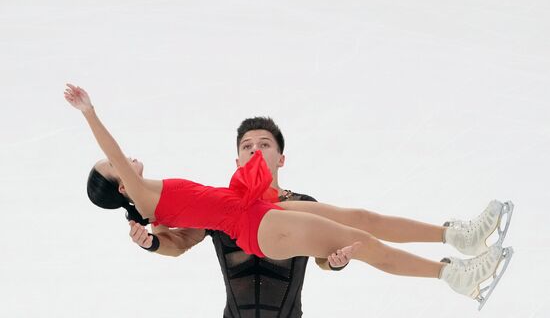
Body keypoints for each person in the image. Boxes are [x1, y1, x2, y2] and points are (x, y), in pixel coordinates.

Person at [65, 84, 514, 309]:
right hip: (255, 227)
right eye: (114, 168)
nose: (122, 161)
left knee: (361, 217)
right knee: (367, 245)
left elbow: (172, 241)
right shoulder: (142, 197)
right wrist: (90, 113)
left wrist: (154, 242)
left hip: (256, 208)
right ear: (120, 185)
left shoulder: (153, 203)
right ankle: (453, 277)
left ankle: (458, 236)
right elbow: (121, 160)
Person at [128, 116, 355, 317]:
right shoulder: (219, 205)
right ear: (238, 161)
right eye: (247, 146)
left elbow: (322, 260)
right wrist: (151, 242)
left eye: (264, 144)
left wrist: (335, 263)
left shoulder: (303, 206)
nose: (255, 150)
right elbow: (179, 244)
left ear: (281, 159)